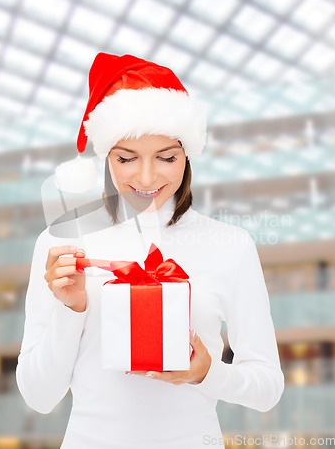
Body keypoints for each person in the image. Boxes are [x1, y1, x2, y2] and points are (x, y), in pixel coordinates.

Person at [16, 52, 284, 449]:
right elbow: (39, 397)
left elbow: (267, 388)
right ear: (106, 156)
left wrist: (208, 374)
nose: (146, 177)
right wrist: (71, 309)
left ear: (187, 155)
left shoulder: (231, 246)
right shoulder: (62, 243)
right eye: (126, 158)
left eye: (166, 157)